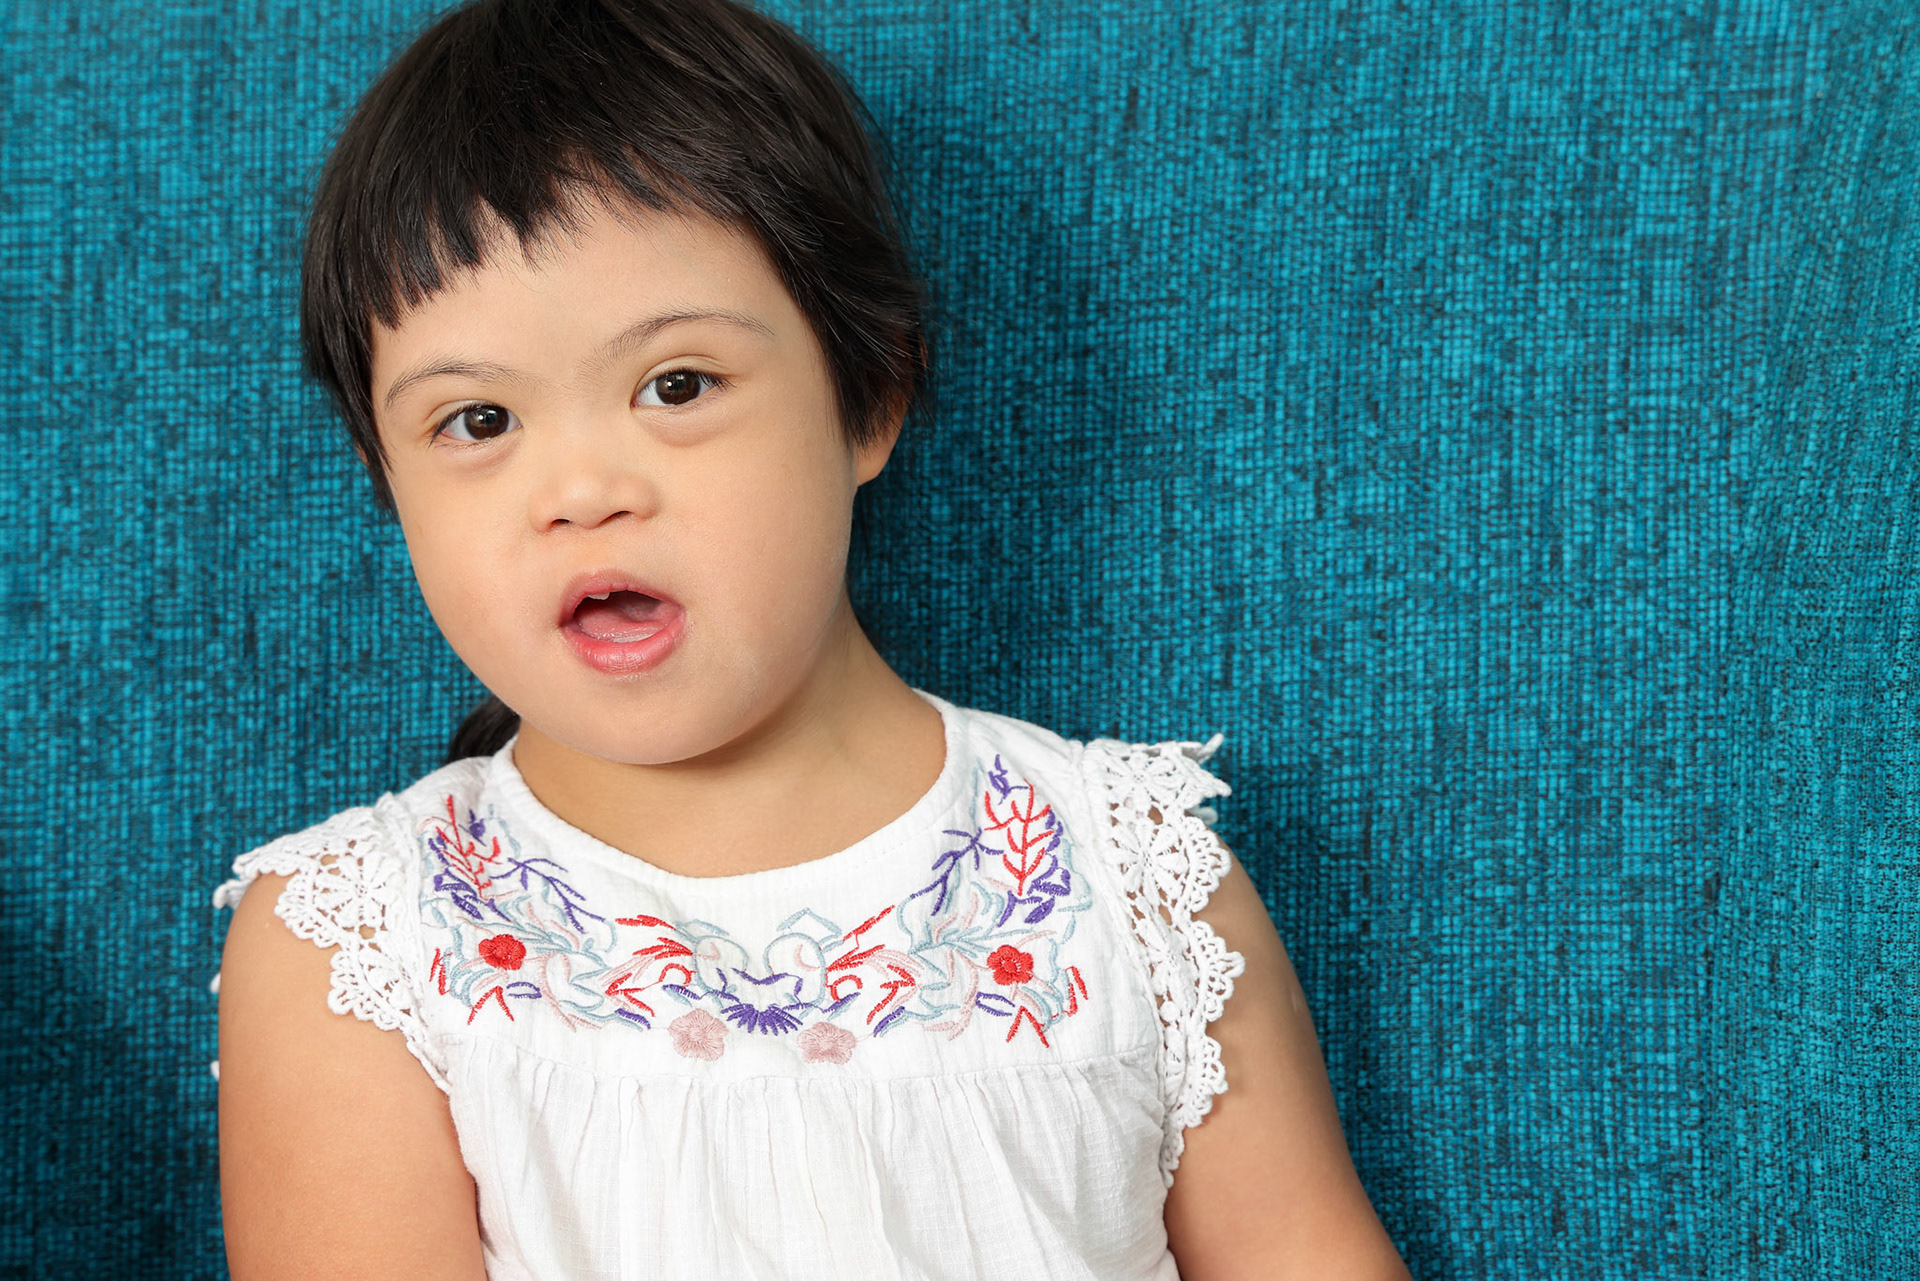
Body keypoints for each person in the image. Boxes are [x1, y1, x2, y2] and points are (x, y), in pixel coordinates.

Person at [213, 1, 1410, 1277]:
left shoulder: (1130, 881)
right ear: (385, 477)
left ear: (870, 395)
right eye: (476, 420)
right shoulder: (359, 947)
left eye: (676, 386)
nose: (578, 490)